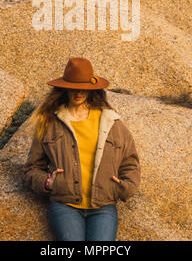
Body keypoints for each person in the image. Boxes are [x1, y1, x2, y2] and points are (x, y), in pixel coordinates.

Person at [21, 57, 141, 241]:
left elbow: (130, 162)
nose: (78, 91)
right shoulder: (50, 123)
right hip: (65, 205)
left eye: (83, 86)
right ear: (65, 88)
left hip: (103, 206)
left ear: (93, 89)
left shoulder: (111, 122)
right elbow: (31, 168)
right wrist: (48, 182)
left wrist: (123, 187)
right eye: (73, 86)